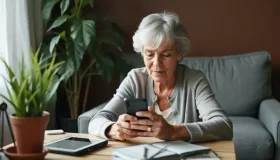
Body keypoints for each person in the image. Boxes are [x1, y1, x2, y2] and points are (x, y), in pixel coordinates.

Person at [88, 12, 233, 142]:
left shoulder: (194, 80)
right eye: (149, 54)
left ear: (179, 54)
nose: (156, 63)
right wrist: (113, 129)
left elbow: (224, 126)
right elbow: (96, 121)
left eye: (166, 55)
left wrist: (172, 131)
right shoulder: (135, 79)